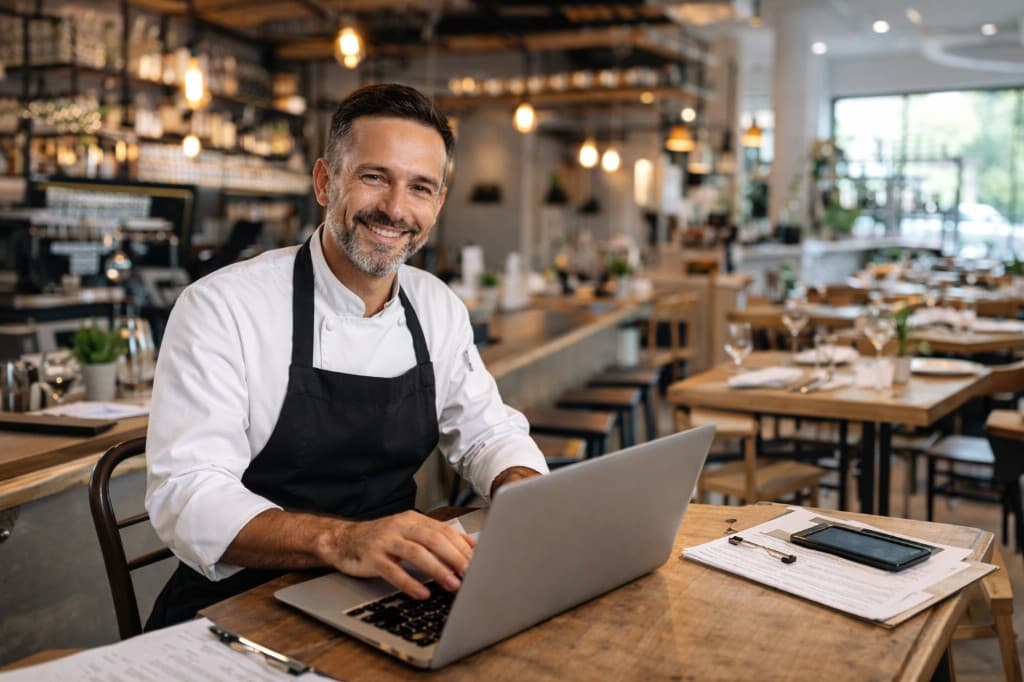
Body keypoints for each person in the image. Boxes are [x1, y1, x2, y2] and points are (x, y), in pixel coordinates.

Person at [144, 83, 548, 629]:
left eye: (420, 188)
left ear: (438, 204)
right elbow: (187, 495)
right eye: (374, 177)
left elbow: (485, 432)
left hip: (386, 591)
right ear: (324, 181)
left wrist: (520, 485)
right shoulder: (222, 307)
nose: (395, 209)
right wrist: (343, 540)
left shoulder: (436, 307)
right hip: (237, 608)